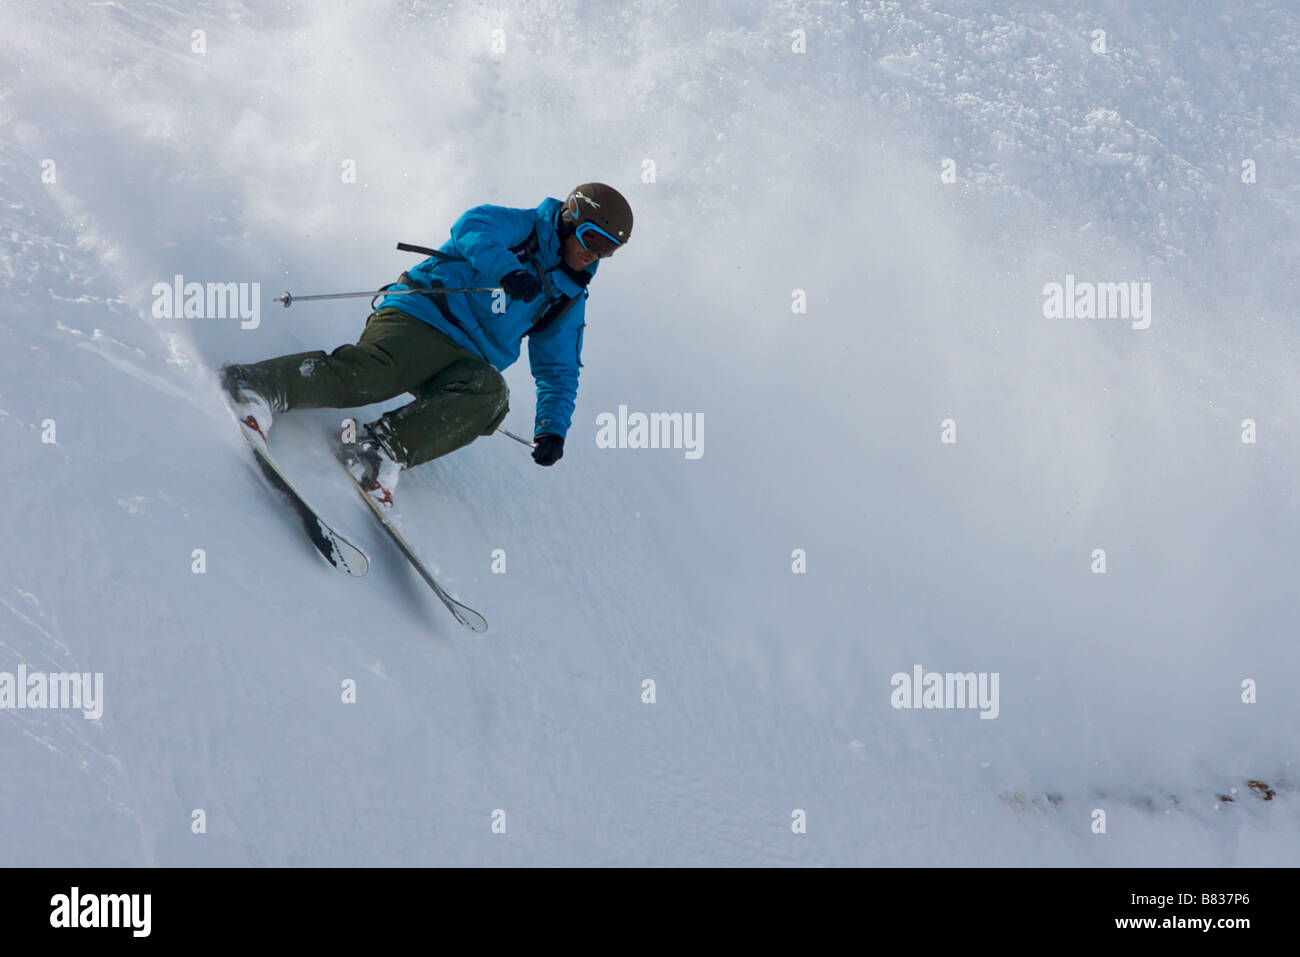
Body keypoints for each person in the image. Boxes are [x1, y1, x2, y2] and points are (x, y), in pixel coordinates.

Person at [221, 182, 633, 506]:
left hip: (465, 360)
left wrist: (553, 430)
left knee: (490, 396)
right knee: (373, 376)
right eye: (593, 240)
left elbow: (558, 370)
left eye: (609, 250)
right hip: (423, 315)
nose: (596, 255)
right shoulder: (523, 228)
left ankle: (379, 449)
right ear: (568, 219)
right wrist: (507, 270)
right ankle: (257, 385)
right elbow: (473, 228)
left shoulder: (568, 295)